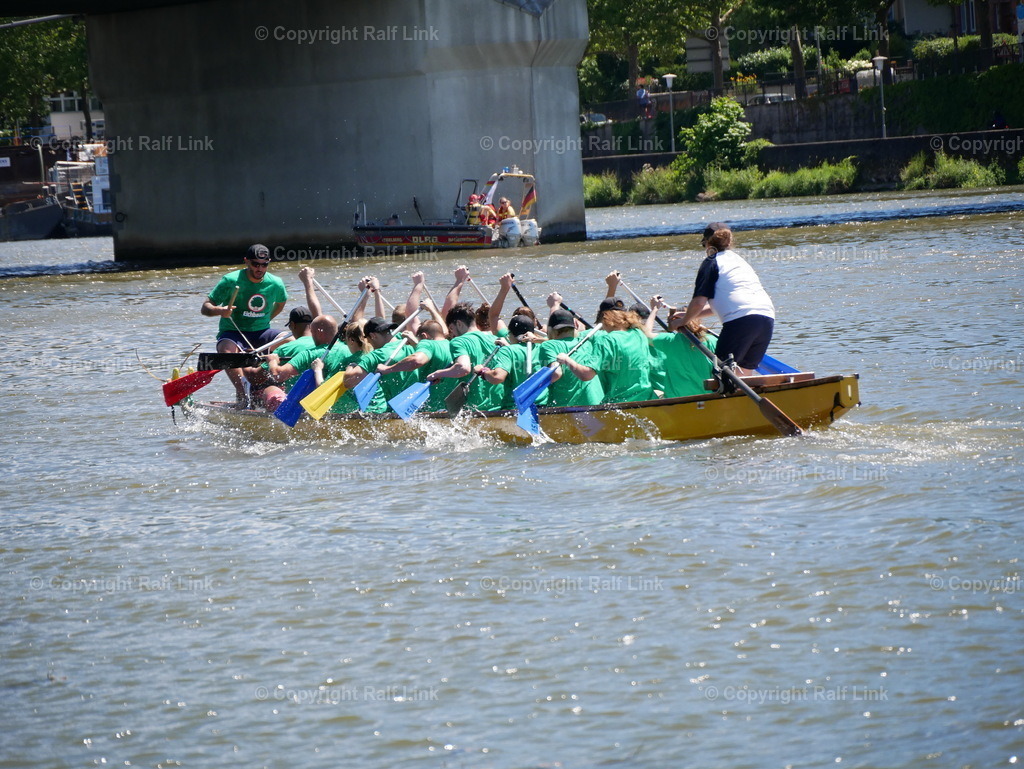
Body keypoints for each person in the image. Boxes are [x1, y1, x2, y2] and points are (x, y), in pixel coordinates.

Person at [675, 224, 775, 376]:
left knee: (721, 375)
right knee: (743, 376)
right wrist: (689, 315)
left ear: (707, 244)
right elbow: (724, 304)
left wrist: (681, 322)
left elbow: (699, 302)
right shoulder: (739, 261)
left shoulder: (711, 262)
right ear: (729, 242)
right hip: (766, 319)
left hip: (741, 322)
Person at [200, 243, 288, 404]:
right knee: (225, 350)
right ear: (246, 261)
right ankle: (243, 394)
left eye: (264, 265)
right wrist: (220, 311)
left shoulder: (276, 283)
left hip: (262, 332)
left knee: (291, 341)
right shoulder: (230, 280)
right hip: (233, 333)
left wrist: (266, 319)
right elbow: (205, 307)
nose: (260, 269)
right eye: (255, 264)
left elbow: (281, 303)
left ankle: (284, 387)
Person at [557, 306, 654, 404]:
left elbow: (586, 375)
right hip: (647, 397)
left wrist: (566, 360)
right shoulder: (639, 333)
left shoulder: (607, 340)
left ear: (605, 319)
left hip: (621, 402)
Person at [426, 303, 502, 412]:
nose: (452, 335)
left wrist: (438, 373)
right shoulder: (495, 339)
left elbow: (463, 368)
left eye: (451, 329)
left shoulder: (458, 341)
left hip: (478, 408)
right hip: (502, 406)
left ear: (459, 324)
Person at [375, 315, 457, 412]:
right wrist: (415, 343)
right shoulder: (453, 345)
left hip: (430, 409)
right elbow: (434, 355)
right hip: (451, 407)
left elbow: (417, 360)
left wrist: (388, 369)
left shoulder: (427, 343)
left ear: (424, 336)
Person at [537, 309, 605, 407]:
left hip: (568, 405)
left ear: (551, 329)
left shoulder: (548, 345)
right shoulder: (588, 340)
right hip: (597, 402)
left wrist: (538, 385)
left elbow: (556, 373)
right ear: (574, 327)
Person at [480, 315, 546, 410]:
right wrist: (537, 339)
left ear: (511, 334)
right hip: (543, 405)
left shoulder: (508, 351)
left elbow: (497, 377)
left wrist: (483, 372)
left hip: (514, 408)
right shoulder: (545, 348)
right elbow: (556, 340)